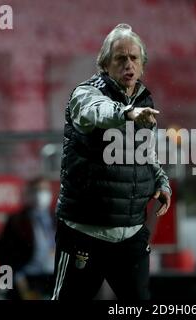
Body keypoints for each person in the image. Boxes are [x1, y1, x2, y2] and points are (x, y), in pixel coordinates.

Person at [52, 24, 171, 300]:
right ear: (105, 64)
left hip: (131, 234)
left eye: (134, 58)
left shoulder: (145, 101)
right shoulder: (85, 95)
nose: (128, 64)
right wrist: (127, 114)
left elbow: (146, 154)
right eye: (120, 58)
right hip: (84, 232)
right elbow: (97, 112)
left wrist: (161, 181)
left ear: (142, 66)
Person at [0, 176, 56, 300]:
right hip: (27, 277)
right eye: (36, 190)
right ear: (28, 194)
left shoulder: (56, 219)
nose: (41, 195)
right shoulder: (17, 221)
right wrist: (12, 280)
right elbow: (2, 253)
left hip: (53, 276)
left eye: (44, 190)